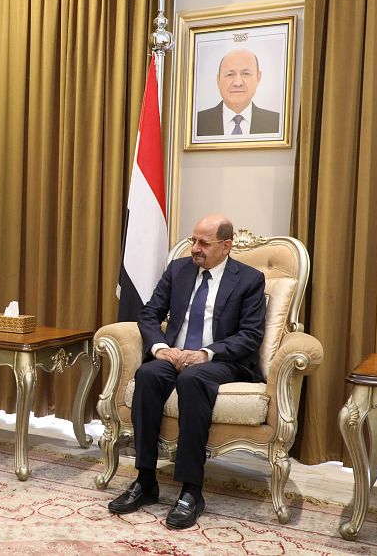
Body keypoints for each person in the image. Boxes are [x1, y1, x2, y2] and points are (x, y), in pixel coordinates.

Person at [107, 214, 266, 530]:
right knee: (148, 375)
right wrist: (160, 349)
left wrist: (206, 353)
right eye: (194, 240)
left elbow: (250, 335)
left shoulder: (249, 279)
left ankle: (191, 491)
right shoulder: (178, 270)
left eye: (204, 243)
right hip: (175, 354)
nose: (195, 248)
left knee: (193, 379)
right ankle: (145, 480)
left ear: (226, 246)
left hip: (220, 360)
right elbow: (149, 314)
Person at [196, 48, 280, 136]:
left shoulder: (277, 122)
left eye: (246, 74)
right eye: (230, 74)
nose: (238, 83)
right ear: (218, 80)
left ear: (258, 77)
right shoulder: (197, 122)